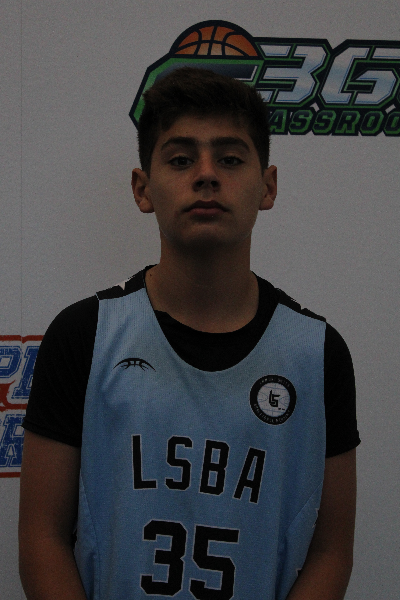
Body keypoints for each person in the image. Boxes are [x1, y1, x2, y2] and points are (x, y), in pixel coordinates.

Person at [19, 67, 360, 600]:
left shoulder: (316, 353)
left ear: (267, 186)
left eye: (230, 159)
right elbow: (42, 538)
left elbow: (330, 552)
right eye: (180, 159)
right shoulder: (84, 336)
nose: (206, 175)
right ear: (142, 188)